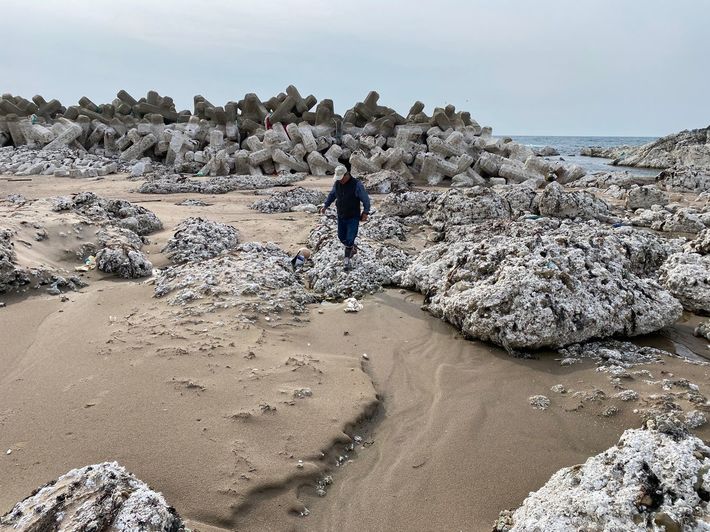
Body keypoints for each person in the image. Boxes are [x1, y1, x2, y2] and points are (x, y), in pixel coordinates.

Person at [320, 165, 371, 271]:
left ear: (347, 175)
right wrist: (325, 205)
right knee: (341, 236)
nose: (340, 180)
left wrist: (365, 212)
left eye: (341, 178)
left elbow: (365, 199)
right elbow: (332, 195)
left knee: (350, 238)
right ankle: (352, 247)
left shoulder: (357, 185)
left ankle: (347, 260)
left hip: (353, 216)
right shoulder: (337, 184)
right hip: (341, 215)